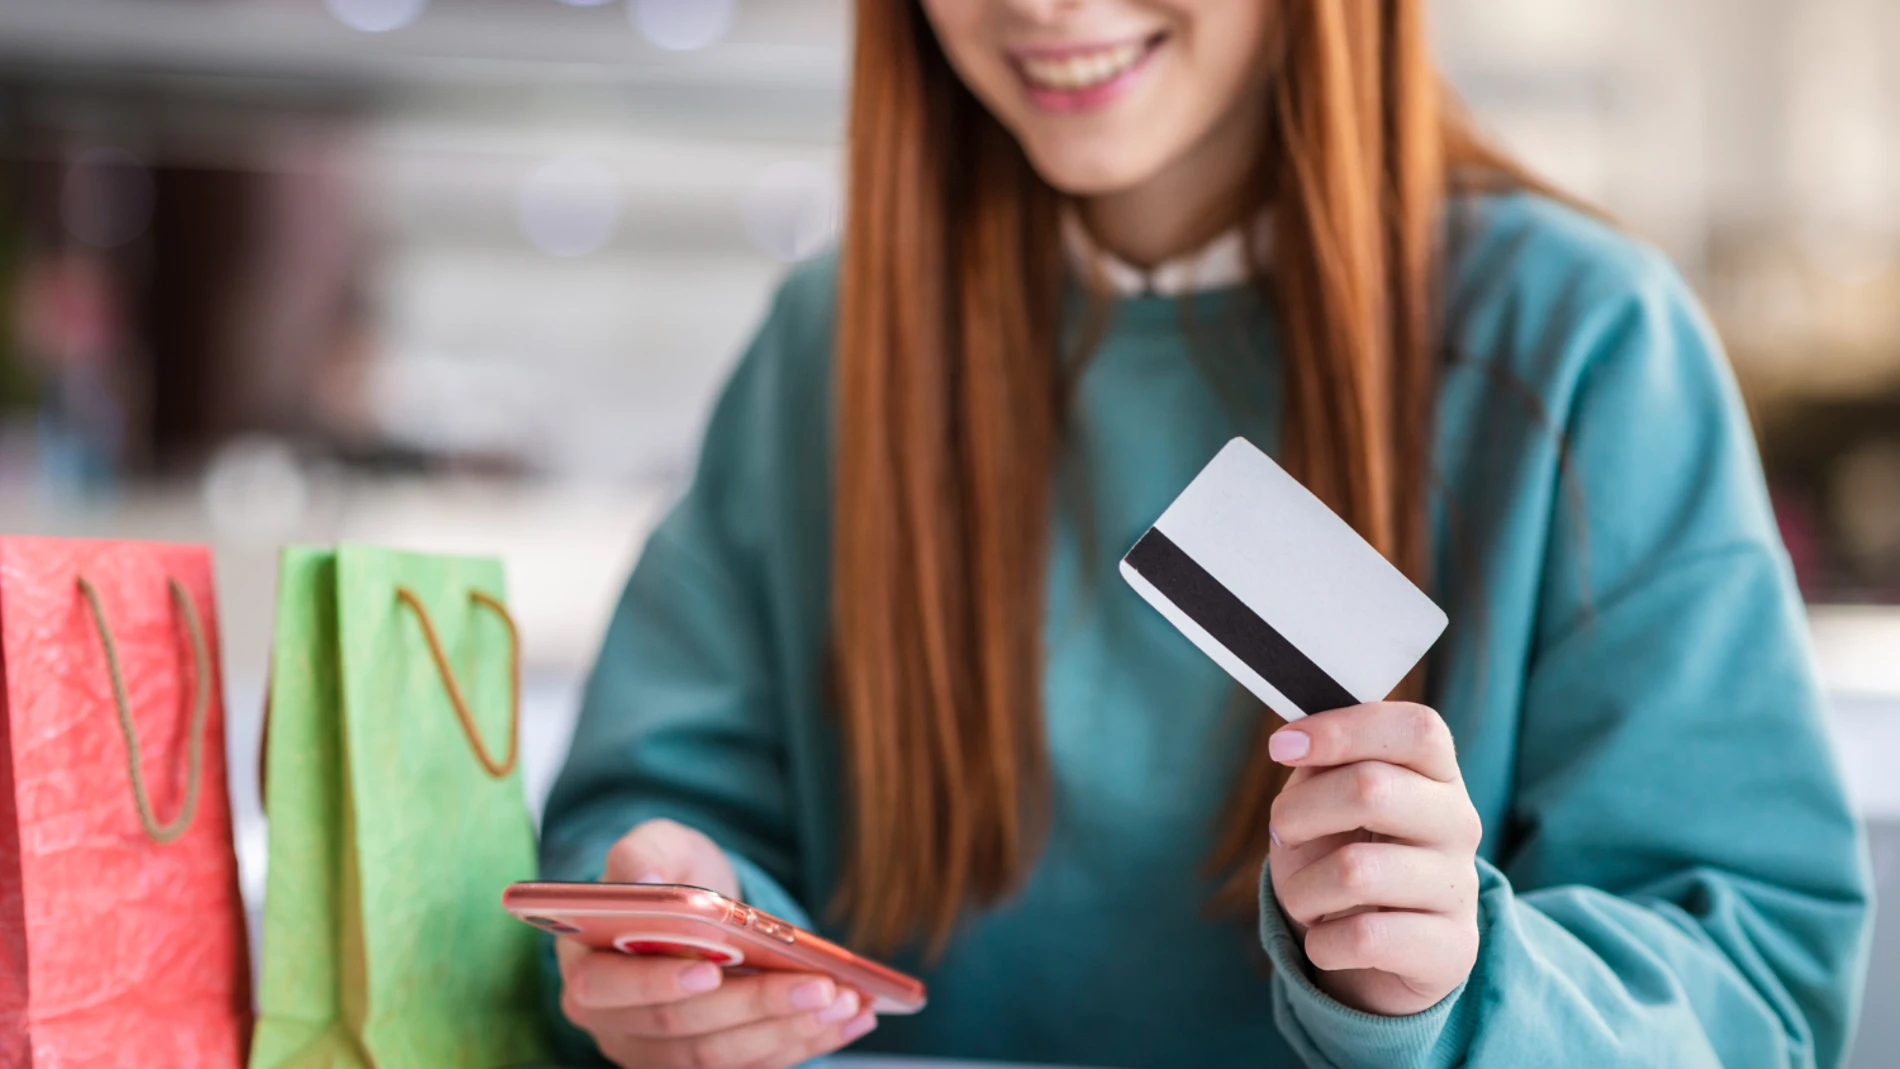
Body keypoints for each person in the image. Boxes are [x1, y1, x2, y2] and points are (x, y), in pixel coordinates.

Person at [538, 1, 1874, 1066]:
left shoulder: (1583, 348)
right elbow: (647, 818)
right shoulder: (829, 349)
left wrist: (1467, 986)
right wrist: (672, 936)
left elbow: (1750, 991)